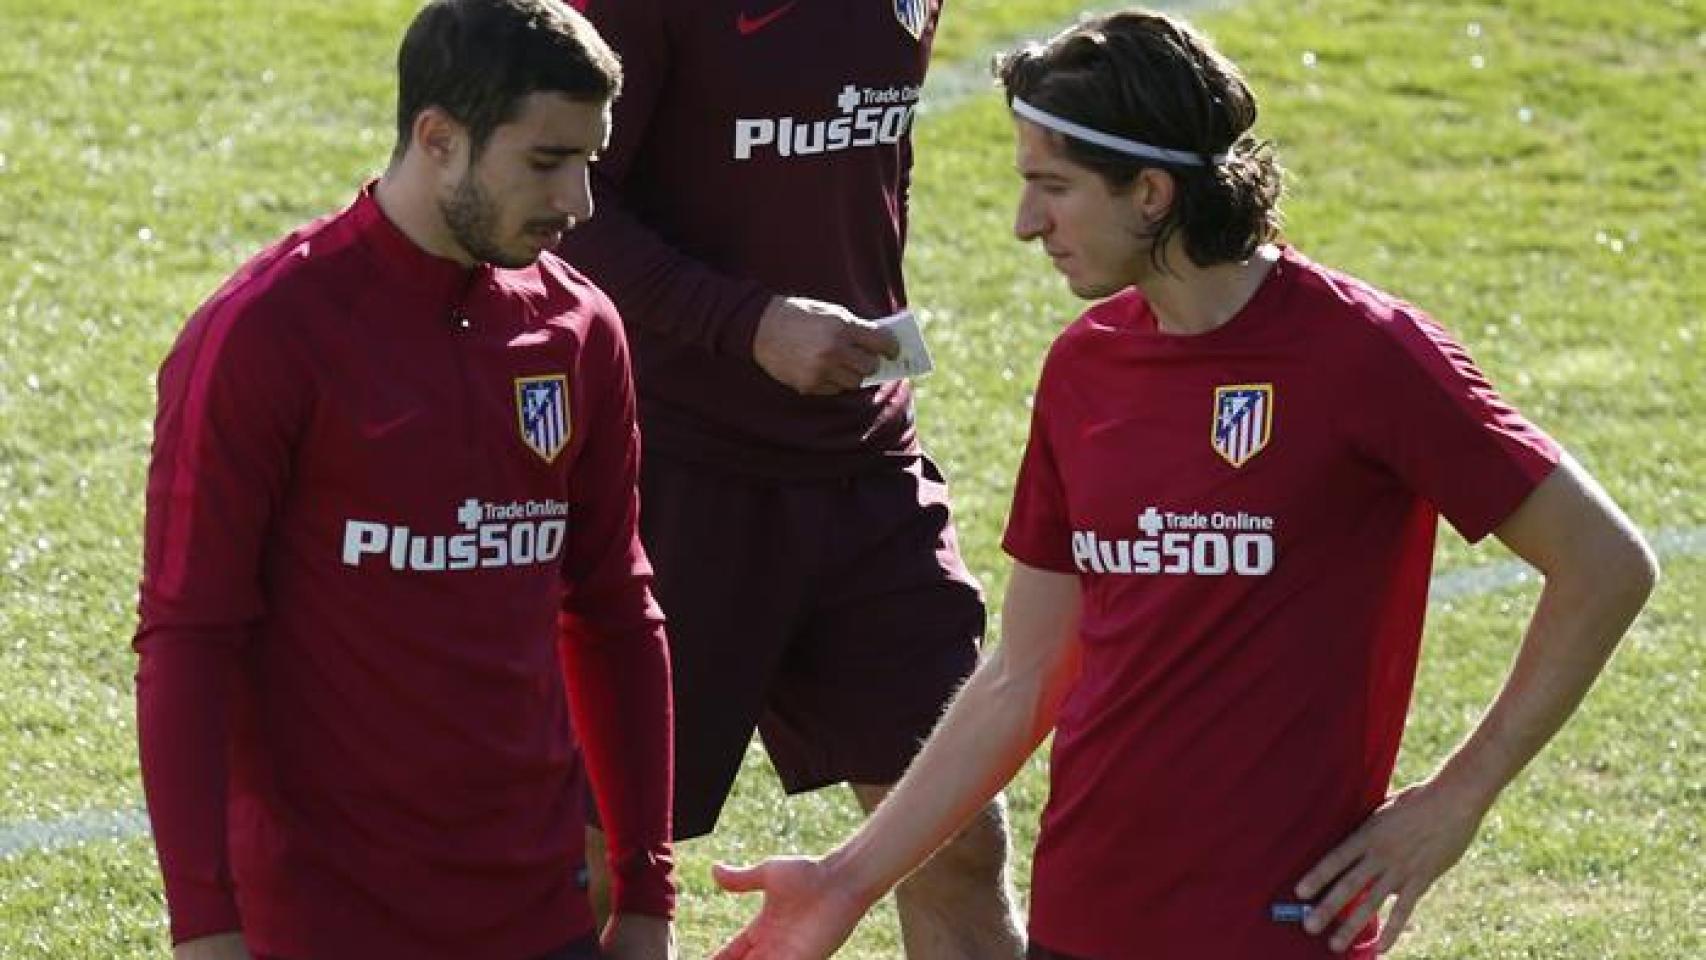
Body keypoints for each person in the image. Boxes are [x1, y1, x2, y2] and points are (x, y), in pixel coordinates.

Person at [705, 8, 1660, 959]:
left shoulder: (1367, 356)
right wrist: (845, 880)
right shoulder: (1085, 368)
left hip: (1278, 930)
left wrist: (1457, 799)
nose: (1024, 222)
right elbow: (1023, 677)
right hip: (1086, 920)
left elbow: (1606, 564)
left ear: (1152, 193)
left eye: (1053, 186)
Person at [133, 2, 677, 958]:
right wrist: (203, 927)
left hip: (537, 917)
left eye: (589, 161)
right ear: (438, 138)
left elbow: (616, 613)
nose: (579, 202)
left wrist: (643, 892)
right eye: (547, 162)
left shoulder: (580, 330)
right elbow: (188, 637)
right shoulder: (268, 334)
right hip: (321, 926)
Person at [555, 0, 1024, 955]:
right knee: (598, 862)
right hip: (673, 469)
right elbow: (562, 207)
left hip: (866, 464)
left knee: (958, 840)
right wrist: (749, 322)